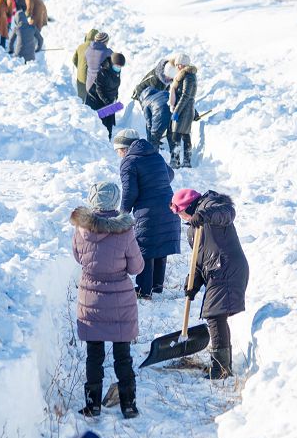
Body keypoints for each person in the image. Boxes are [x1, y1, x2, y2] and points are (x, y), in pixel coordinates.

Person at [71, 182, 143, 419]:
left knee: (94, 355)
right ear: (115, 202)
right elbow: (136, 267)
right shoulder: (125, 231)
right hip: (120, 301)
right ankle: (129, 405)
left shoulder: (81, 230)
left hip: (90, 298)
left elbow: (78, 257)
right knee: (123, 355)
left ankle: (92, 405)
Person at [171, 188, 249, 380]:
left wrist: (204, 215)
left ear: (188, 207)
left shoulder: (211, 206)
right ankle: (221, 366)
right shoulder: (193, 229)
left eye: (180, 212)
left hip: (228, 268)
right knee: (215, 316)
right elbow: (199, 260)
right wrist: (193, 283)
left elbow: (227, 214)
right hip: (217, 269)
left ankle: (221, 369)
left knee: (215, 315)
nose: (181, 217)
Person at [114, 129, 181, 299]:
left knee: (146, 247)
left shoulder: (129, 162)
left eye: (119, 151)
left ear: (125, 148)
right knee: (160, 245)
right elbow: (170, 173)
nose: (119, 155)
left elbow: (130, 192)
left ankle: (144, 290)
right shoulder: (154, 154)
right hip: (168, 205)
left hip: (149, 210)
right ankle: (156, 286)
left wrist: (123, 213)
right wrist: (157, 184)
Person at [166, 53, 198, 168]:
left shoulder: (189, 76)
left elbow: (186, 96)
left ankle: (177, 161)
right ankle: (184, 161)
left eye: (180, 64)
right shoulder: (183, 75)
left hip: (184, 110)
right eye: (177, 64)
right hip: (183, 109)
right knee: (184, 134)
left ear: (184, 65)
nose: (178, 66)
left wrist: (176, 112)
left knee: (178, 135)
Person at [86, 52, 125, 140]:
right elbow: (99, 89)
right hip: (97, 101)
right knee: (101, 125)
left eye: (120, 67)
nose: (119, 68)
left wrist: (115, 97)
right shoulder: (103, 72)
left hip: (108, 102)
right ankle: (101, 142)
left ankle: (109, 139)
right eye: (117, 66)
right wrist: (107, 101)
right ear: (112, 63)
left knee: (109, 123)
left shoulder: (116, 72)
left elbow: (115, 87)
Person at [72, 29, 98, 101]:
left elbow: (74, 60)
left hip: (80, 79)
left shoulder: (80, 47)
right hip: (92, 80)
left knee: (81, 101)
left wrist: (80, 68)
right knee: (91, 103)